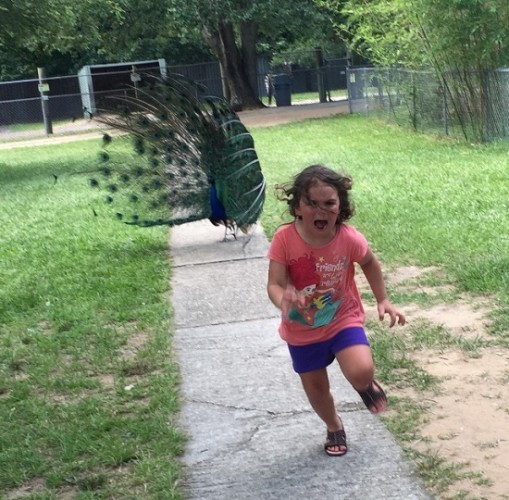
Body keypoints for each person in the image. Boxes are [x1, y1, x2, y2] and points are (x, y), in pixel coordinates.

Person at [266, 164, 406, 457]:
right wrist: (284, 299)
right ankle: (334, 426)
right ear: (297, 208)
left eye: (329, 203)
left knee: (361, 370)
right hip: (301, 329)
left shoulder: (349, 238)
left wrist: (383, 299)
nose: (321, 211)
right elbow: (275, 285)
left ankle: (363, 385)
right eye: (311, 203)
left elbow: (369, 262)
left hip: (343, 318)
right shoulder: (284, 239)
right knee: (317, 390)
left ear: (340, 206)